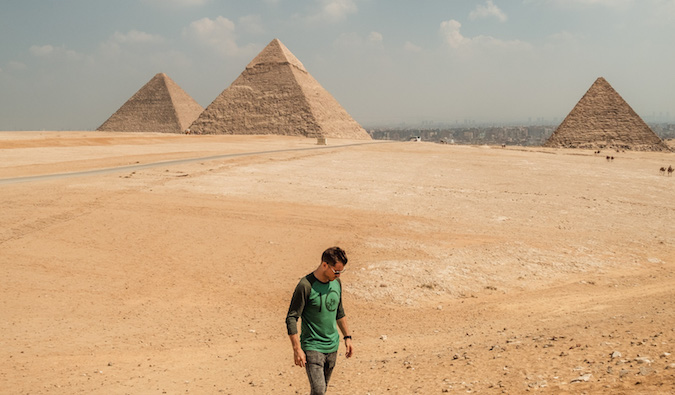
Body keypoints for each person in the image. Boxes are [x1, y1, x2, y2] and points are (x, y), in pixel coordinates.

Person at [286, 246, 354, 395]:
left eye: (341, 271)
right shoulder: (305, 286)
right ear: (324, 265)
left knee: (321, 390)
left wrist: (347, 337)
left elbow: (339, 311)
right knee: (318, 391)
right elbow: (291, 317)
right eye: (336, 271)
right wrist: (297, 349)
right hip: (313, 347)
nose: (339, 275)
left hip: (332, 347)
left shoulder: (336, 283)